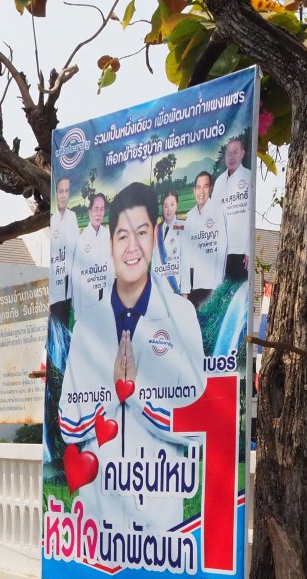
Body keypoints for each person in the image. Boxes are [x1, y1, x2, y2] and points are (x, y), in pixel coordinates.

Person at [58, 182, 205, 533]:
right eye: (122, 236)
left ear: (154, 235)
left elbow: (198, 426)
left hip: (159, 526)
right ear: (110, 244)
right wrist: (113, 394)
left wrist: (137, 395)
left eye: (141, 233)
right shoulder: (88, 325)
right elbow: (67, 422)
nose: (132, 247)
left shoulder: (181, 316)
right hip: (99, 521)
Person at [180, 171, 227, 309]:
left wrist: (217, 286)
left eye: (205, 186)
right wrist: (184, 290)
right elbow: (184, 255)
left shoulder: (218, 212)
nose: (201, 192)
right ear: (194, 190)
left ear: (210, 189)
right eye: (198, 187)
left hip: (210, 284)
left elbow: (222, 248)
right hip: (190, 285)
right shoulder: (189, 216)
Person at [212, 137, 252, 283]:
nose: (231, 157)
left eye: (235, 152)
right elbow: (213, 215)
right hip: (221, 252)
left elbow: (250, 216)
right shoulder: (219, 181)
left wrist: (248, 250)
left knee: (237, 291)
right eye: (228, 153)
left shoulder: (248, 176)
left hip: (240, 251)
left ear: (242, 153)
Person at [70, 192, 113, 322]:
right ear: (90, 212)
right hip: (87, 306)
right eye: (96, 209)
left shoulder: (107, 235)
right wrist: (78, 311)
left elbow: (110, 271)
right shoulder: (82, 239)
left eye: (102, 209)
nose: (99, 213)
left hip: (105, 304)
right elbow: (76, 277)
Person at [49, 177, 80, 325]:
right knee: (57, 323)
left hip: (71, 281)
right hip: (56, 285)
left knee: (69, 321)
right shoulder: (52, 220)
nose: (63, 195)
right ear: (56, 194)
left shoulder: (72, 217)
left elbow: (77, 248)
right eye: (60, 191)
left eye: (66, 191)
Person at [152, 190, 183, 296]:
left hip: (176, 287)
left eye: (172, 205)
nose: (168, 209)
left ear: (177, 206)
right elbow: (154, 259)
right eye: (165, 206)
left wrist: (185, 289)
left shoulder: (183, 226)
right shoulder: (156, 229)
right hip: (158, 288)